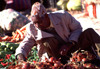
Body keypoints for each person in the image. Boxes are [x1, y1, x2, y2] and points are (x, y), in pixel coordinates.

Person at [15, 2, 100, 64]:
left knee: (90, 32)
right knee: (47, 42)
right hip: (57, 55)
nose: (37, 25)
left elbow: (77, 28)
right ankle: (62, 63)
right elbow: (25, 45)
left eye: (40, 22)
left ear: (46, 17)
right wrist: (20, 57)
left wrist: (69, 44)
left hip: (73, 46)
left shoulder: (63, 16)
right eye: (35, 23)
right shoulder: (31, 28)